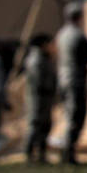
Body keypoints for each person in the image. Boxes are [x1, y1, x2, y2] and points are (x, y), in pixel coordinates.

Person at [56, 1, 87, 164]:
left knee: (69, 114)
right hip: (75, 79)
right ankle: (68, 151)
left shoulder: (61, 34)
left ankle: (67, 149)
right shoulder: (77, 35)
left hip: (63, 78)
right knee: (76, 116)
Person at [23, 33, 57, 164]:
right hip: (37, 99)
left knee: (45, 126)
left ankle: (41, 154)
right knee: (35, 125)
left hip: (44, 98)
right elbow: (39, 82)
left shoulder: (44, 59)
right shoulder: (35, 60)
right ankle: (29, 153)